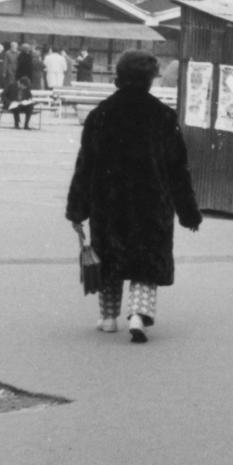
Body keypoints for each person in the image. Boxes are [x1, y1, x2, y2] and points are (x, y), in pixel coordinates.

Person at [66, 50, 202, 343]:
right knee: (145, 262)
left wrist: (77, 210)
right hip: (151, 204)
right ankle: (139, 315)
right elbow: (178, 169)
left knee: (110, 260)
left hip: (109, 203)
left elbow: (85, 166)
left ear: (120, 75)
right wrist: (188, 212)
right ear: (150, 79)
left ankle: (108, 317)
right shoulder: (163, 116)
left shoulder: (100, 114)